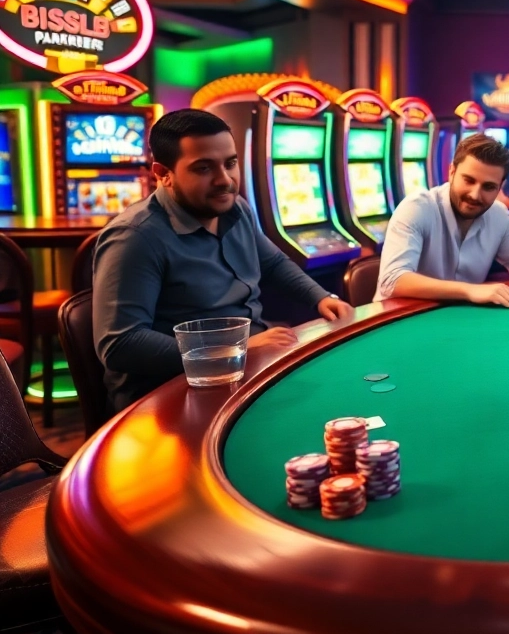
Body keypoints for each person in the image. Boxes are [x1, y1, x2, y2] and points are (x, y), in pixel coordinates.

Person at [93, 109, 354, 412]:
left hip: (241, 370)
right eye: (204, 169)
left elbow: (272, 263)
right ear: (163, 174)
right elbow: (122, 344)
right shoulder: (135, 237)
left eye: (230, 163)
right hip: (169, 397)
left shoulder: (236, 208)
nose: (225, 180)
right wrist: (234, 350)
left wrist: (321, 298)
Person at [377, 133, 509, 306]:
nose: (475, 195)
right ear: (452, 172)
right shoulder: (417, 208)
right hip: (398, 318)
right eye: (469, 180)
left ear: (500, 187)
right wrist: (470, 291)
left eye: (488, 187)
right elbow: (392, 280)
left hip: (456, 319)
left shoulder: (498, 216)